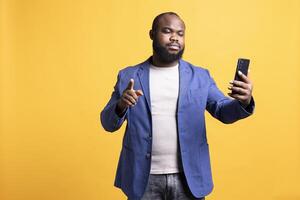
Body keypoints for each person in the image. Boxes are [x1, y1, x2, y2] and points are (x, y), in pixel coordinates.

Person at [100, 12, 254, 200]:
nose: (175, 37)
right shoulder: (129, 76)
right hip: (142, 178)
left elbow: (223, 111)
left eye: (180, 33)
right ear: (152, 34)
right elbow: (108, 123)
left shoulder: (200, 76)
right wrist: (120, 106)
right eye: (167, 31)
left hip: (189, 178)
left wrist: (244, 101)